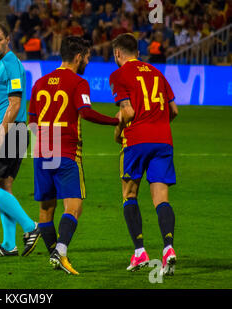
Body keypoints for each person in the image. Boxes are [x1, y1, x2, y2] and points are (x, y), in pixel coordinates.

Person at [28, 36, 120, 275]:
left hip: (41, 153)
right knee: (74, 207)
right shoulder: (79, 82)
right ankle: (60, 251)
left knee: (45, 211)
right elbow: (86, 112)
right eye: (87, 57)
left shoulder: (39, 83)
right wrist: (115, 121)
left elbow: (31, 123)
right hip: (67, 153)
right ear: (78, 57)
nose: (88, 61)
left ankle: (54, 256)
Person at [110, 33, 178, 276]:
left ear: (117, 53)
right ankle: (168, 248)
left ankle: (140, 252)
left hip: (136, 140)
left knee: (129, 194)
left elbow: (126, 111)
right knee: (161, 198)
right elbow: (174, 110)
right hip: (163, 141)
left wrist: (118, 132)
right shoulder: (158, 73)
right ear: (137, 53)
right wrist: (158, 124)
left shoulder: (119, 75)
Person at [0, 23, 40, 257]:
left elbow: (15, 103)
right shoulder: (0, 65)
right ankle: (8, 245)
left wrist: (0, 134)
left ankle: (31, 227)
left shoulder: (11, 64)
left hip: (11, 132)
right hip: (13, 132)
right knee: (4, 186)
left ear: (8, 39)